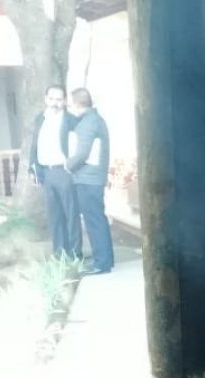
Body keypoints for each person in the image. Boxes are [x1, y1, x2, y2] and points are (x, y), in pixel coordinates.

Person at [29, 85, 83, 259]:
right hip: (46, 172)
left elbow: (81, 146)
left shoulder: (71, 120)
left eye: (59, 99)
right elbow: (34, 145)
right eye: (51, 99)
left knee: (71, 214)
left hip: (65, 171)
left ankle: (75, 255)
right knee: (54, 216)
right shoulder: (40, 119)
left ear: (65, 101)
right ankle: (60, 255)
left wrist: (74, 167)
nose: (55, 103)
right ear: (46, 99)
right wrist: (32, 167)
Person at [66, 87, 115, 275]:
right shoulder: (95, 120)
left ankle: (101, 263)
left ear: (76, 103)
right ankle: (105, 260)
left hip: (88, 179)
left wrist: (67, 166)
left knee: (94, 221)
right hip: (92, 178)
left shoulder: (88, 122)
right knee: (97, 219)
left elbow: (82, 153)